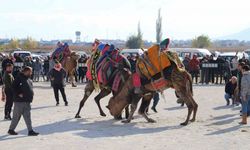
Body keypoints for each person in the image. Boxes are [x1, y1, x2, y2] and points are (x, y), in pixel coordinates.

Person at [8, 66, 39, 136]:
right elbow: (13, 86)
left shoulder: (28, 79)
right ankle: (11, 130)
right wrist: (19, 93)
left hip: (27, 101)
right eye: (30, 71)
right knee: (16, 117)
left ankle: (30, 131)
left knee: (28, 117)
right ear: (26, 71)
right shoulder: (19, 78)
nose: (31, 73)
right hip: (19, 102)